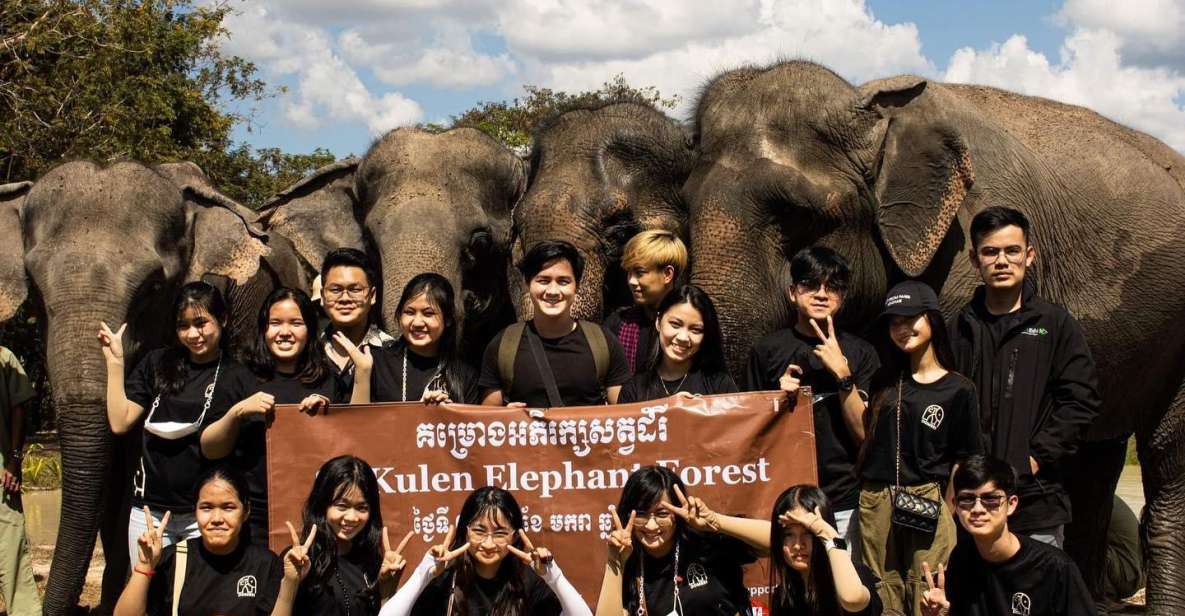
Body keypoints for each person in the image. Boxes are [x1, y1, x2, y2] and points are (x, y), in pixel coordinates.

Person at [948, 206, 1102, 547]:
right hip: (970, 505)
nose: (1001, 261)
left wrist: (1033, 459)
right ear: (975, 260)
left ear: (1028, 255)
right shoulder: (959, 327)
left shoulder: (1055, 324)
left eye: (1011, 251)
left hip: (1036, 501)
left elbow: (1081, 401)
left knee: (1035, 598)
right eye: (990, 252)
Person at [100, 281, 255, 562]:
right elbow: (120, 422)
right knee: (146, 589)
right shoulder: (156, 363)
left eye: (201, 323)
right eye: (183, 326)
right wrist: (115, 363)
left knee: (197, 599)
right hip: (149, 511)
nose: (193, 334)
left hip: (206, 513)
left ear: (223, 319)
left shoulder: (238, 376)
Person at [857, 281, 982, 616]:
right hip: (877, 498)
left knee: (929, 587)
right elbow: (864, 434)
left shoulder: (959, 389)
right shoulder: (883, 380)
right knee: (881, 587)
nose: (902, 328)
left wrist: (948, 508)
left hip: (928, 497)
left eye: (911, 318)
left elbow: (966, 457)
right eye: (894, 322)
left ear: (932, 320)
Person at [745, 246, 879, 540]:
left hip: (846, 501)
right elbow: (750, 440)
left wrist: (844, 376)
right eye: (810, 284)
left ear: (842, 296)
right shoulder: (766, 351)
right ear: (793, 292)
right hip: (786, 500)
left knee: (849, 585)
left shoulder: (862, 352)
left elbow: (865, 437)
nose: (821, 293)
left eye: (832, 286)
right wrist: (776, 402)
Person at [200, 287, 342, 541]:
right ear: (263, 329)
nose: (284, 332)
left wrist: (327, 419)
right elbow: (210, 448)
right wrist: (237, 412)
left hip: (312, 512)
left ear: (309, 329)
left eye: (296, 323)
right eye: (275, 323)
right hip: (252, 516)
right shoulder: (238, 375)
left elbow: (348, 444)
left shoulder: (327, 379)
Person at [919, 455, 1098, 616]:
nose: (978, 509)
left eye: (991, 499)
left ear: (1011, 504)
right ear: (955, 505)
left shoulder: (1054, 568)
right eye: (967, 499)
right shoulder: (962, 558)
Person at [380, 486, 591, 616]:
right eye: (479, 531)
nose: (488, 544)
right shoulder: (444, 580)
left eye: (500, 533)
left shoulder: (528, 582)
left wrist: (552, 576)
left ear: (515, 536)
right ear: (465, 531)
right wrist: (423, 573)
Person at [114, 464, 286, 616]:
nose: (217, 518)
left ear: (246, 511)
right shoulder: (173, 559)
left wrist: (291, 582)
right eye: (207, 508)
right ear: (195, 511)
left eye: (228, 508)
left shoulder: (265, 564)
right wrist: (144, 566)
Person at [479, 240, 631, 407]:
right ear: (527, 284)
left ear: (577, 286)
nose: (552, 291)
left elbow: (623, 418)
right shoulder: (503, 346)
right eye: (543, 281)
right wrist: (506, 418)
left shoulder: (603, 343)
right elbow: (488, 422)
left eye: (563, 281)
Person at [594, 465, 760, 616]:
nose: (651, 526)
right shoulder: (629, 566)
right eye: (642, 514)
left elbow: (774, 542)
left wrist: (716, 522)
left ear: (678, 511)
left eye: (662, 514)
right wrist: (615, 562)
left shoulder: (706, 542)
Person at [283, 455, 412, 615]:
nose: (352, 517)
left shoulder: (373, 563)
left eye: (361, 508)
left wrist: (387, 590)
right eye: (342, 506)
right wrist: (290, 582)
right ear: (323, 505)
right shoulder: (297, 560)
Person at [341, 273, 480, 405]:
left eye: (428, 313)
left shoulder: (465, 375)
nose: (417, 322)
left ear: (448, 319)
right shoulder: (376, 362)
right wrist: (363, 373)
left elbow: (468, 427)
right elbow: (355, 423)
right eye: (409, 312)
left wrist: (445, 414)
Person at [770, 484, 881, 616]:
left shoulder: (856, 575)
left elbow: (852, 599)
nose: (797, 545)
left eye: (809, 532)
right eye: (789, 534)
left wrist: (826, 533)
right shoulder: (783, 596)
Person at [617, 285, 737, 403]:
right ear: (658, 322)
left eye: (696, 330)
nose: (683, 337)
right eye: (675, 324)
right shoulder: (633, 390)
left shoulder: (720, 386)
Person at [604, 230, 688, 373]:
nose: (631, 281)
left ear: (667, 274)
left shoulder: (692, 325)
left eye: (640, 273)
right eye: (629, 272)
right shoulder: (617, 323)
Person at [319, 248, 396, 390]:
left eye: (355, 290)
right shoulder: (308, 351)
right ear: (322, 296)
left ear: (372, 296)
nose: (345, 298)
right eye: (335, 290)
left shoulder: (394, 354)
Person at [0, 345, 40, 615]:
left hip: (2, 472)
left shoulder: (4, 357)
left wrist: (14, 459)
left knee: (11, 548)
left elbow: (19, 407)